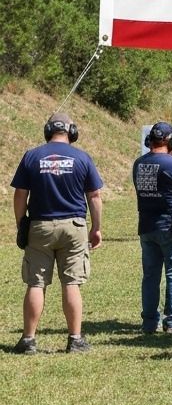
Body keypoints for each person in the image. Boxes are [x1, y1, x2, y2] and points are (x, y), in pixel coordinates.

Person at [10, 111, 103, 354]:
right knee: (71, 283)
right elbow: (94, 196)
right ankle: (75, 339)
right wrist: (96, 227)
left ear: (47, 130)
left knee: (36, 283)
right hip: (74, 228)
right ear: (72, 132)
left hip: (40, 227)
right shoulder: (82, 157)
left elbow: (20, 195)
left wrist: (21, 223)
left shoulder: (32, 156)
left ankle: (28, 340)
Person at [132, 121, 172, 336]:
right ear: (171, 141)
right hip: (171, 225)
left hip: (147, 225)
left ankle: (149, 323)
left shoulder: (138, 163)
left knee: (150, 276)